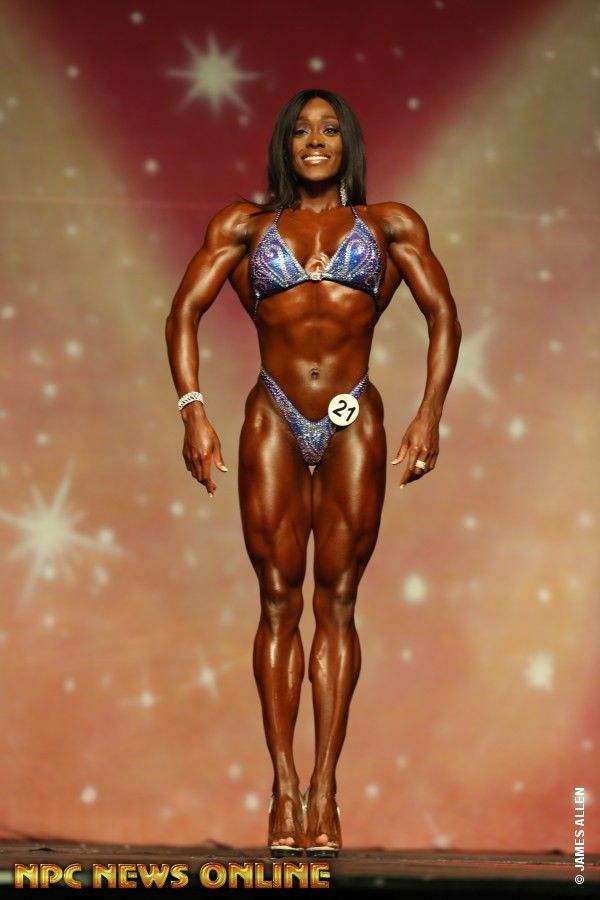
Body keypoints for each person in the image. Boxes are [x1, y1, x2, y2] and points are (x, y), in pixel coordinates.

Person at [165, 88, 461, 857]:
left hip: (354, 416)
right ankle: (283, 786)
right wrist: (193, 411)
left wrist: (430, 413)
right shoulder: (245, 226)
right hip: (273, 411)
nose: (316, 139)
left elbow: (443, 314)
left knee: (338, 601)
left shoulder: (389, 225)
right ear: (285, 145)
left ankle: (325, 788)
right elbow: (183, 311)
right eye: (301, 129)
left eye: (330, 128)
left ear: (348, 143)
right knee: (276, 602)